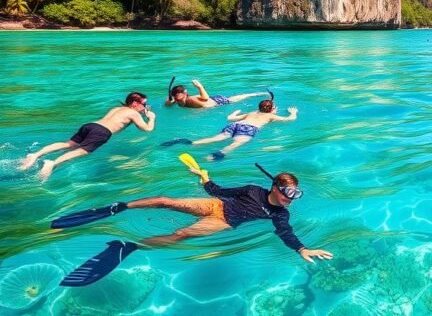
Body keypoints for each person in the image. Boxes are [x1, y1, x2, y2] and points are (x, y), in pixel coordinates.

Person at [51, 163, 333, 286]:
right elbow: (219, 192)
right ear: (275, 187)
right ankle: (119, 207)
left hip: (224, 222)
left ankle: (130, 246)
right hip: (217, 206)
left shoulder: (279, 215)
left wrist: (302, 249)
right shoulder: (251, 189)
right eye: (289, 194)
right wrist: (204, 178)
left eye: (296, 195)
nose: (291, 200)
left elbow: (286, 233)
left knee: (180, 234)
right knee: (164, 199)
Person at [18, 92, 156, 180]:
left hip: (90, 125)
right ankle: (52, 163)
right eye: (144, 104)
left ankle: (36, 154)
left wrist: (143, 113)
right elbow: (147, 129)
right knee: (83, 151)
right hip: (102, 132)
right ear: (135, 103)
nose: (145, 107)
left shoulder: (117, 108)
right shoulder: (134, 113)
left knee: (68, 144)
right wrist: (151, 118)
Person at [161, 98, 298, 161]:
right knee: (234, 145)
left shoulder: (251, 113)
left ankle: (188, 142)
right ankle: (212, 157)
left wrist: (235, 112)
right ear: (272, 109)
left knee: (213, 138)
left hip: (235, 125)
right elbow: (289, 120)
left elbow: (230, 118)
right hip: (249, 129)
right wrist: (293, 113)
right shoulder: (272, 116)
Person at [165, 79, 268, 109]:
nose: (177, 98)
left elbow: (205, 98)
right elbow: (167, 105)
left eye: (179, 95)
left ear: (185, 93)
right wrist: (169, 102)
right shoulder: (177, 101)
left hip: (218, 102)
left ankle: (254, 94)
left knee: (234, 99)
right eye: (175, 96)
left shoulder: (191, 99)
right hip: (213, 101)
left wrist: (200, 87)